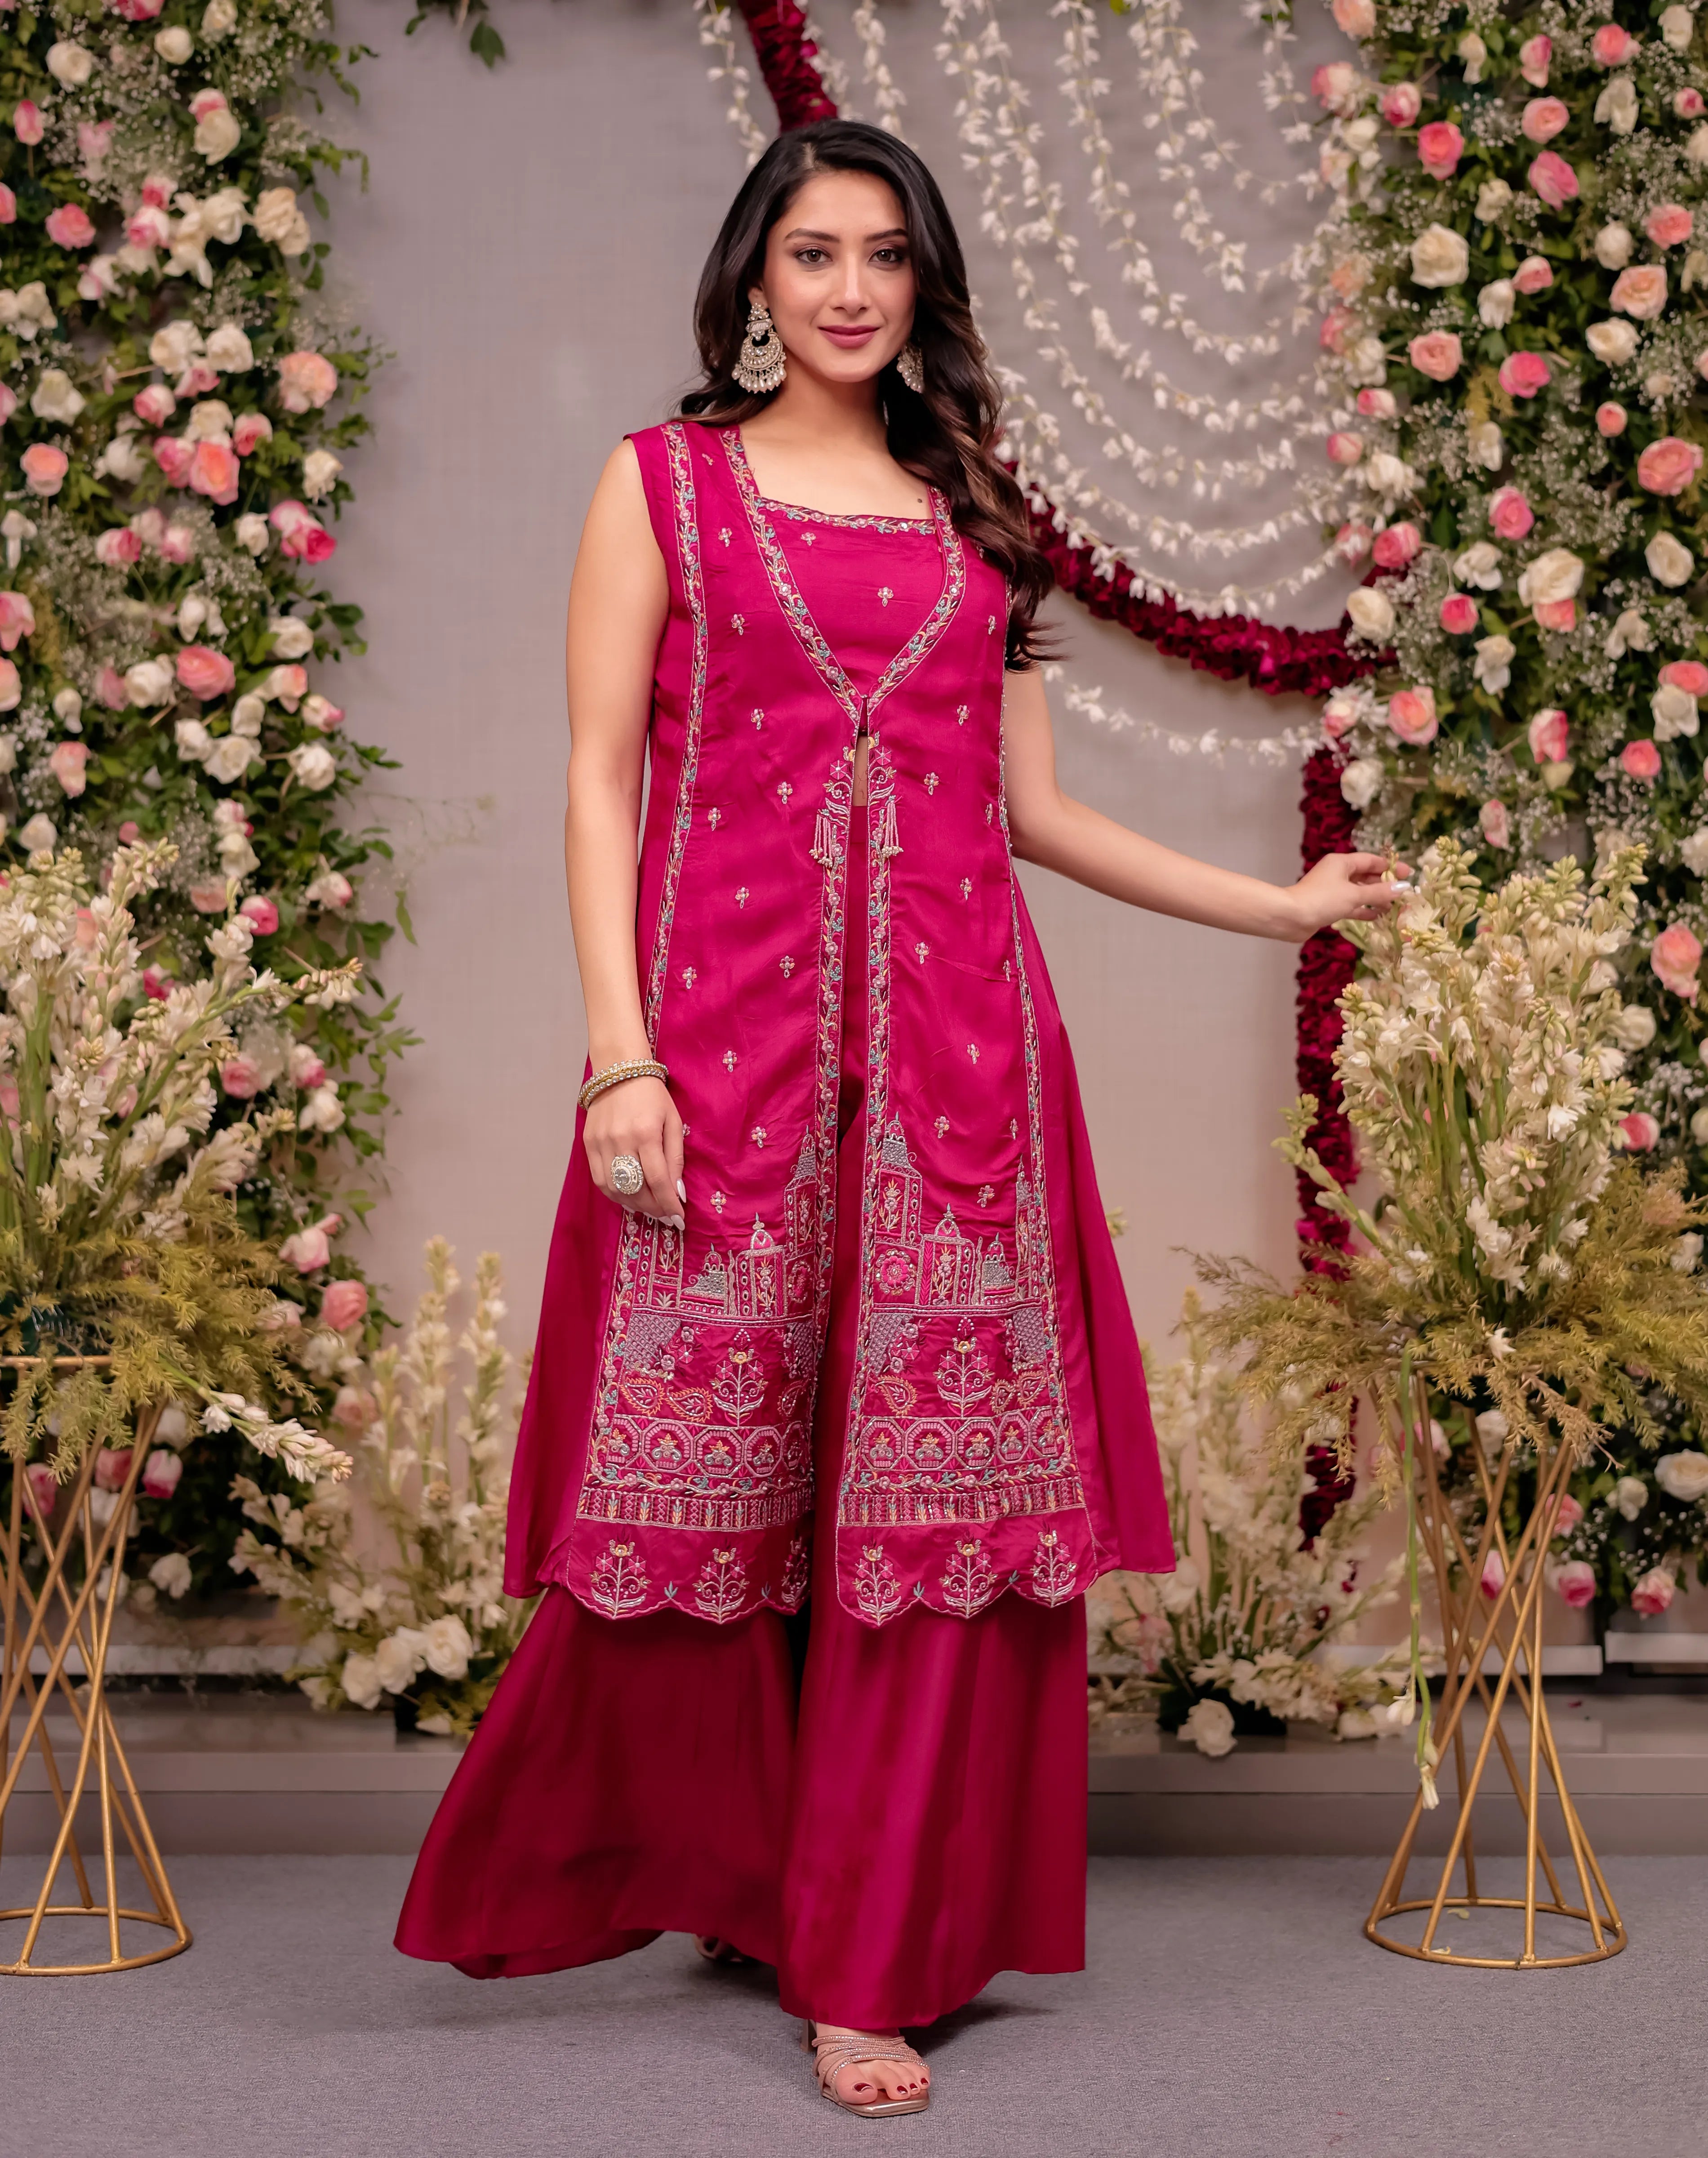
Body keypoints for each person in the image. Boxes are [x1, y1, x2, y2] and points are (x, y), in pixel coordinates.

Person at [396, 117, 1401, 2118]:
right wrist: (618, 1052)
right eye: (809, 254)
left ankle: (870, 1956)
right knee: (708, 1491)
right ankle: (733, 1872)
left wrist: (1273, 902)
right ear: (751, 281)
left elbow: (1026, 817)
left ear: (923, 283)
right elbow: (599, 782)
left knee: (925, 1518)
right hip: (725, 1064)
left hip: (960, 1079)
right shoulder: (661, 489)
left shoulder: (971, 521)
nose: (848, 289)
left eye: (881, 256)